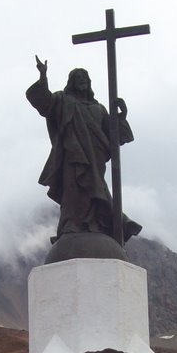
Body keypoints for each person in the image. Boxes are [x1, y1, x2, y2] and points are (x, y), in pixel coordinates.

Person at [26, 56, 141, 244]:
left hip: (95, 159)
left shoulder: (99, 109)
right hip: (72, 156)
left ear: (89, 83)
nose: (82, 81)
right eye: (78, 78)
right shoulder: (63, 101)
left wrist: (121, 116)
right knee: (73, 192)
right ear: (71, 82)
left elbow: (116, 137)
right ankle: (72, 225)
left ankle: (105, 225)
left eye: (85, 78)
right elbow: (45, 103)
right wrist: (43, 77)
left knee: (96, 191)